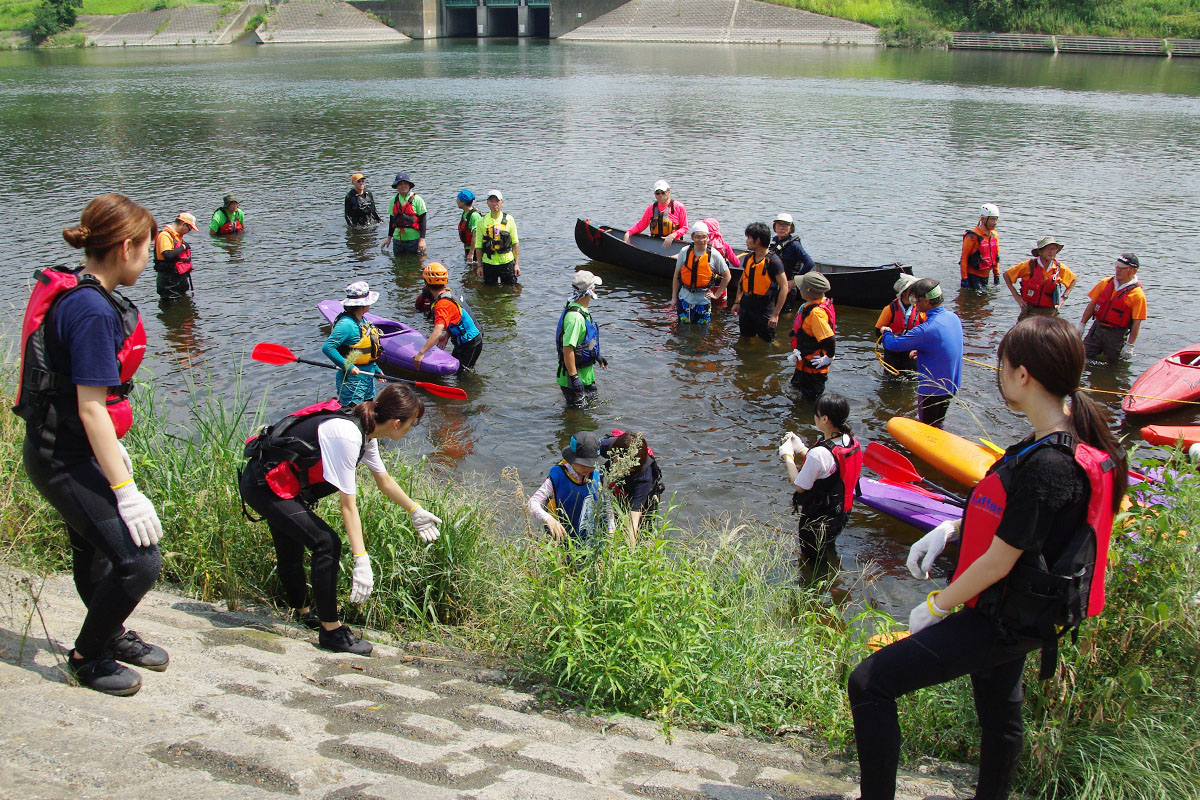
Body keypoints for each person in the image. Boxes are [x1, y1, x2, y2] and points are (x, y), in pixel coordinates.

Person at [847, 315, 1126, 800]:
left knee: (871, 682)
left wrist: (936, 605)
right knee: (1000, 713)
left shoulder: (1049, 465)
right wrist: (952, 529)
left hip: (1001, 617)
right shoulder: (1049, 447)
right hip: (1021, 611)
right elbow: (1022, 524)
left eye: (1002, 365)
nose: (997, 375)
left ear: (1023, 376)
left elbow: (1001, 559)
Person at [15, 194, 165, 696]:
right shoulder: (92, 312)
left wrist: (114, 458)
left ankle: (109, 632)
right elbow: (91, 407)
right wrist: (125, 488)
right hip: (63, 459)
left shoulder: (83, 296)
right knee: (139, 560)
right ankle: (87, 655)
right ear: (126, 247)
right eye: (147, 247)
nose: (151, 258)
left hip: (68, 449)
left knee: (95, 550)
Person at [239, 385, 443, 656]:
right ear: (396, 423)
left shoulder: (366, 432)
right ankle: (331, 631)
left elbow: (383, 480)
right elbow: (348, 506)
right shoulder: (348, 435)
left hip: (278, 482)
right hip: (263, 484)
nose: (410, 429)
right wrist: (361, 558)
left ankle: (303, 613)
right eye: (411, 424)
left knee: (292, 546)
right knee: (326, 543)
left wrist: (414, 509)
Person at [778, 393, 863, 565]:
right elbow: (830, 466)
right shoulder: (849, 440)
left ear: (824, 419)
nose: (814, 417)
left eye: (816, 414)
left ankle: (816, 586)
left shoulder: (819, 454)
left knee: (813, 563)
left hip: (818, 521)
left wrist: (787, 456)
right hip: (841, 513)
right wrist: (801, 448)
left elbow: (799, 485)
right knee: (827, 548)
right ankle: (834, 582)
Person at [880, 279, 963, 429]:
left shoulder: (927, 329)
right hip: (951, 384)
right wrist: (923, 350)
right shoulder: (953, 318)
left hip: (932, 391)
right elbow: (944, 344)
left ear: (925, 300)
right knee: (938, 422)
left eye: (915, 300)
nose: (915, 304)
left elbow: (893, 345)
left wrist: (886, 332)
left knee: (926, 428)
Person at [527, 431, 613, 544]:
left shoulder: (598, 474)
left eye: (592, 464)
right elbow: (532, 503)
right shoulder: (558, 476)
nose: (588, 468)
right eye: (584, 465)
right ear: (571, 459)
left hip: (592, 542)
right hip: (562, 542)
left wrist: (611, 532)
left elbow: (607, 506)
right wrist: (548, 519)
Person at [413, 262, 483, 375]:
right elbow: (456, 319)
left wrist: (421, 353)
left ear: (426, 283)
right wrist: (446, 336)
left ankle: (470, 390)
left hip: (471, 342)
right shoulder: (448, 294)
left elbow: (437, 332)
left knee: (463, 374)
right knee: (455, 370)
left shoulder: (442, 304)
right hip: (463, 340)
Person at [322, 281, 382, 406]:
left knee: (368, 414)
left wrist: (376, 369)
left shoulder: (362, 320)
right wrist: (348, 367)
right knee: (352, 414)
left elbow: (365, 351)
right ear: (363, 304)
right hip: (352, 382)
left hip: (367, 376)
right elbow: (328, 347)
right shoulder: (346, 324)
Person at [1078, 253, 1146, 363]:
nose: (1118, 270)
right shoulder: (1105, 283)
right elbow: (1092, 304)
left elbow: (1137, 322)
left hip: (1116, 334)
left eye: (1122, 268)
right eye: (1117, 266)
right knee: (1082, 357)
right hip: (1097, 329)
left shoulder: (1137, 294)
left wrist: (1130, 345)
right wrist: (1082, 324)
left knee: (1112, 364)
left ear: (1133, 270)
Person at [599, 429, 664, 545]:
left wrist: (630, 551)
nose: (624, 469)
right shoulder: (608, 447)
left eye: (629, 467)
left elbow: (633, 520)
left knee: (642, 533)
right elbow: (582, 451)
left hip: (645, 496)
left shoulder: (644, 476)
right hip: (616, 488)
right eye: (620, 463)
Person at [731, 222, 789, 343]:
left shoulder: (773, 261)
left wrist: (775, 314)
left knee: (767, 341)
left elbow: (784, 287)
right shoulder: (748, 258)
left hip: (764, 307)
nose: (747, 241)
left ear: (757, 241)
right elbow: (742, 280)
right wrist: (737, 301)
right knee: (745, 338)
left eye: (749, 238)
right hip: (746, 304)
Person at [556, 270, 606, 409]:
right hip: (574, 379)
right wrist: (574, 378)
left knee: (591, 413)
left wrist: (597, 355)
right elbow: (567, 349)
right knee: (577, 419)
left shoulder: (583, 310)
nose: (596, 289)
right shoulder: (575, 318)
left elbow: (586, 338)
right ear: (589, 291)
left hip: (587, 375)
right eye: (594, 287)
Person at [788, 272, 837, 402]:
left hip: (813, 370)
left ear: (808, 291)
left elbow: (829, 339)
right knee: (794, 389)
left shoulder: (816, 314)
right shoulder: (818, 303)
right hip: (803, 363)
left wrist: (829, 358)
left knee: (809, 402)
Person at [670, 221, 730, 324]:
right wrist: (674, 298)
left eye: (704, 237)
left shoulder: (714, 254)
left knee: (701, 332)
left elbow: (727, 276)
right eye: (697, 237)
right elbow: (676, 275)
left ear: (708, 237)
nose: (701, 240)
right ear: (692, 237)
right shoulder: (685, 251)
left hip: (703, 300)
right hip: (684, 298)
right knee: (682, 330)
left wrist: (717, 294)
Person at [1004, 236, 1075, 321]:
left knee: (1061, 332)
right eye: (1048, 249)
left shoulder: (1059, 268)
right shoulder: (1028, 266)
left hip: (1050, 311)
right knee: (1020, 333)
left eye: (1054, 249)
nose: (1051, 252)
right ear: (1040, 251)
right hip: (1030, 310)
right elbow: (1007, 275)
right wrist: (1016, 296)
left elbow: (1073, 280)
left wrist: (1064, 297)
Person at [874, 274, 925, 373]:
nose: (916, 294)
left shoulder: (921, 310)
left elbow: (927, 330)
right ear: (904, 292)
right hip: (893, 354)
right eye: (912, 291)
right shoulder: (889, 309)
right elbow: (877, 332)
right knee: (890, 380)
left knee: (911, 379)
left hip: (911, 353)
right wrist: (890, 339)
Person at [473, 190, 520, 285]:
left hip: (507, 262)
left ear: (502, 202)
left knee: (510, 291)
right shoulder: (482, 221)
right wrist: (479, 266)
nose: (494, 203)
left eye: (497, 201)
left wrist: (516, 264)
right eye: (491, 201)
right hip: (488, 263)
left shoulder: (509, 219)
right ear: (487, 203)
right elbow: (478, 245)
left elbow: (515, 242)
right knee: (489, 291)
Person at [769, 212, 814, 311]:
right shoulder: (775, 240)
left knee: (786, 311)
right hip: (775, 283)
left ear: (791, 228)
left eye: (785, 225)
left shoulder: (794, 245)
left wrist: (794, 282)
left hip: (788, 285)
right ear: (774, 227)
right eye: (779, 224)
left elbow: (809, 263)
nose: (781, 228)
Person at [624, 180, 687, 248]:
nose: (660, 195)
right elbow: (641, 225)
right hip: (656, 243)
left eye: (663, 193)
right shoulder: (651, 208)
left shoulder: (679, 206)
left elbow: (684, 228)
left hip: (674, 243)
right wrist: (629, 233)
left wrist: (672, 236)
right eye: (657, 193)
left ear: (669, 192)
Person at [153, 212, 198, 301]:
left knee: (184, 306)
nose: (189, 232)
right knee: (171, 307)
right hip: (168, 281)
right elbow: (167, 255)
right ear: (183, 224)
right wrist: (183, 247)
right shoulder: (165, 236)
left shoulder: (177, 237)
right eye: (189, 229)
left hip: (178, 280)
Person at [379, 172, 427, 256]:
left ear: (409, 185)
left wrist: (422, 240)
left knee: (415, 265)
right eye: (400, 184)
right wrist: (389, 238)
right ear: (396, 186)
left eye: (405, 184)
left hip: (414, 240)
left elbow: (423, 220)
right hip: (398, 240)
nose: (403, 186)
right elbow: (392, 220)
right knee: (398, 266)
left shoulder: (417, 199)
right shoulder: (394, 200)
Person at [960, 203, 1000, 296]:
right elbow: (964, 259)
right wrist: (964, 278)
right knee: (983, 298)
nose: (995, 222)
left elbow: (996, 256)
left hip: (986, 276)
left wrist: (996, 275)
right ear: (983, 219)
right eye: (992, 219)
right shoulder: (972, 237)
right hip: (973, 277)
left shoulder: (994, 235)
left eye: (996, 219)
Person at [700, 217, 739, 307]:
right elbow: (737, 264)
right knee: (719, 310)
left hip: (704, 287)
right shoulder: (725, 247)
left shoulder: (700, 246)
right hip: (720, 287)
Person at [456, 189, 483, 264]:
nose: (456, 201)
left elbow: (475, 235)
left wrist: (471, 253)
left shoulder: (474, 216)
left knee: (474, 273)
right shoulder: (465, 213)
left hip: (475, 250)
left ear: (462, 202)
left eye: (458, 199)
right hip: (468, 248)